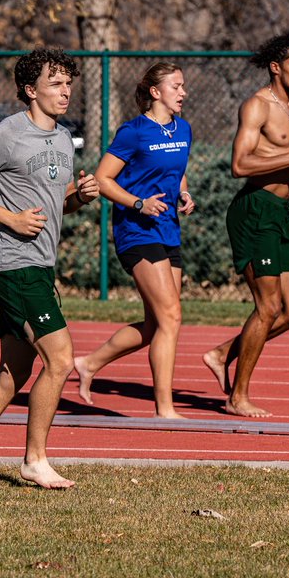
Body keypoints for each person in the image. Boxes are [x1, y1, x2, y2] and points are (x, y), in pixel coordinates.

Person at [0, 47, 99, 489]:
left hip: (40, 263)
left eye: (68, 84)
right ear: (31, 90)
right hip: (12, 262)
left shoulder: (64, 138)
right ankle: (35, 460)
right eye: (55, 84)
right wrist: (9, 219)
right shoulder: (6, 134)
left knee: (14, 372)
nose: (65, 92)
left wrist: (77, 197)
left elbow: (51, 202)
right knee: (61, 357)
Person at [202, 33, 289, 418]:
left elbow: (286, 161)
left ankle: (223, 352)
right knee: (268, 306)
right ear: (276, 67)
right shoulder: (257, 107)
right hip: (253, 210)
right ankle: (237, 397)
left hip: (281, 210)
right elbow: (240, 165)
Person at [74, 63, 196, 418]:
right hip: (137, 230)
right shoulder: (133, 132)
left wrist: (184, 194)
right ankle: (165, 409)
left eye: (183, 85)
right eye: (176, 86)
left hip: (168, 229)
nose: (183, 92)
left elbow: (177, 171)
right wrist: (138, 203)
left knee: (156, 324)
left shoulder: (183, 129)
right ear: (156, 92)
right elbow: (103, 179)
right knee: (172, 316)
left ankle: (88, 363)